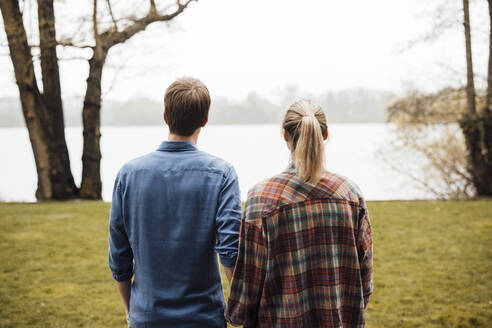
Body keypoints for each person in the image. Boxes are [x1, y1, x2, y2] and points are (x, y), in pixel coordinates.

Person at [226, 99, 373, 327]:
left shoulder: (261, 199)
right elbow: (364, 282)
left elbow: (247, 292)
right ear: (325, 134)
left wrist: (236, 313)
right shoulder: (351, 195)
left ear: (285, 136)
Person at [108, 77, 242, 328]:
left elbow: (119, 256)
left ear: (165, 116)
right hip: (204, 318)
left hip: (147, 318)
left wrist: (130, 311)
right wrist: (240, 309)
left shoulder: (128, 174)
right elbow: (230, 252)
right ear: (205, 120)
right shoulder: (222, 174)